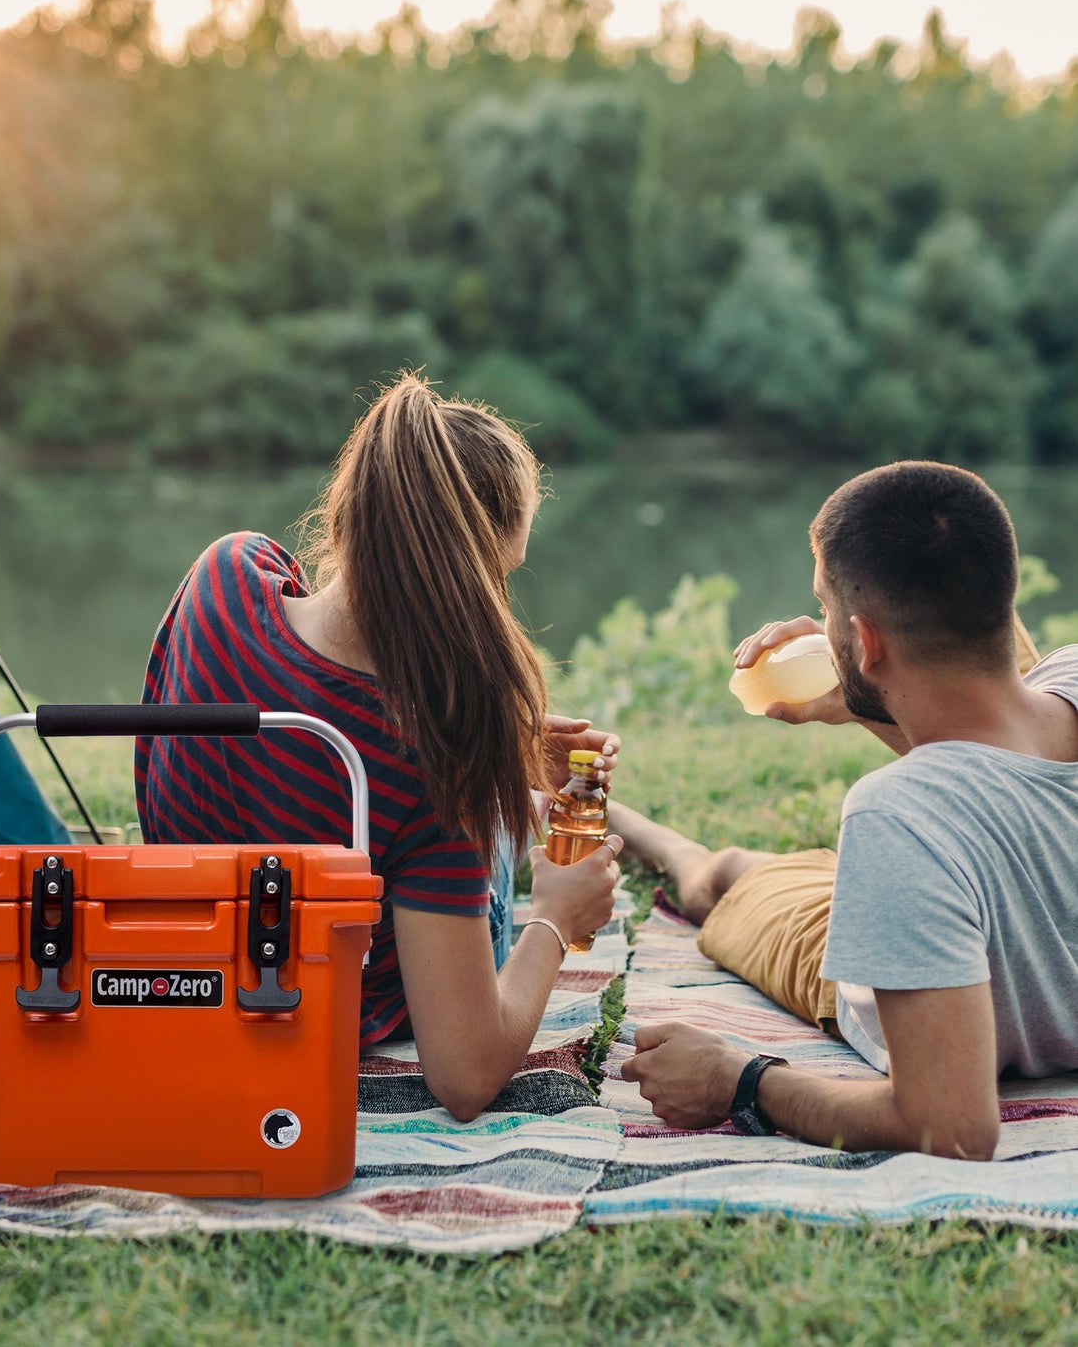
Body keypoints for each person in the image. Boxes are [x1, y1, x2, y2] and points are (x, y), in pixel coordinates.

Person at [136, 373, 624, 1121]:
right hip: (319, 1003)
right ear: (466, 575)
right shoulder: (437, 754)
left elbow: (309, 701)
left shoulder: (225, 575)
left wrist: (510, 749)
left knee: (480, 805)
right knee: (497, 830)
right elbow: (463, 1076)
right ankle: (525, 822)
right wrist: (555, 918)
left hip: (193, 955)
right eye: (500, 574)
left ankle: (520, 806)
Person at [615, 460, 1078, 1159]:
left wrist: (739, 1081)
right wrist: (865, 694)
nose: (819, 627)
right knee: (751, 869)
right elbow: (998, 759)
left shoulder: (896, 817)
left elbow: (950, 1125)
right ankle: (623, 818)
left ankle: (631, 825)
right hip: (958, 889)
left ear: (863, 641)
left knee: (721, 879)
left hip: (874, 974)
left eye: (825, 610)